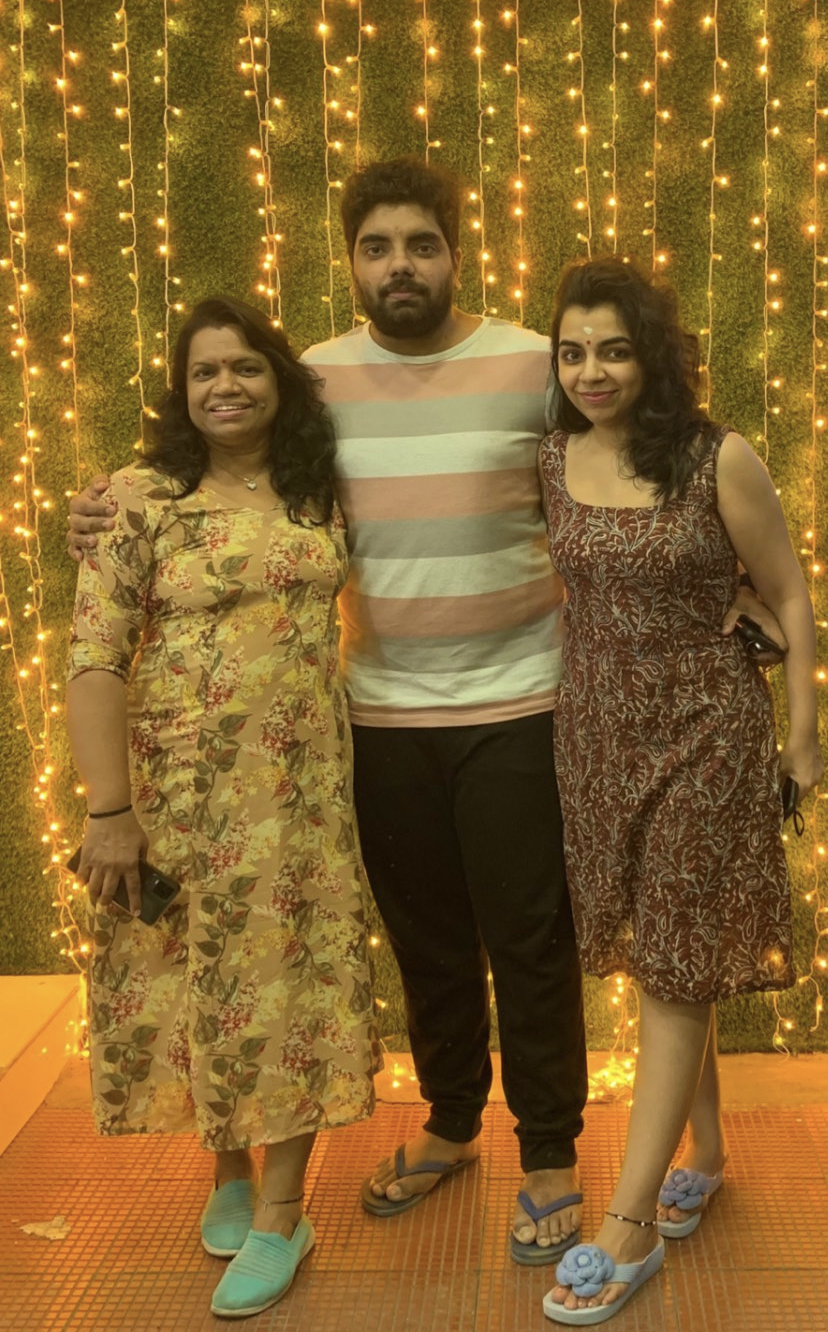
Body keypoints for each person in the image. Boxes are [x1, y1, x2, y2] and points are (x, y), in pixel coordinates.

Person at [66, 158, 786, 1265]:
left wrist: (733, 583)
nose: (399, 265)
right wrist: (106, 504)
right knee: (427, 942)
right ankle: (452, 1121)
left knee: (531, 941)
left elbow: (642, 452)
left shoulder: (533, 364)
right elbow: (225, 460)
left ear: (455, 252)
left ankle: (549, 1153)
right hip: (376, 716)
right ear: (351, 261)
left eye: (420, 244)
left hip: (525, 705)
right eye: (377, 247)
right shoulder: (313, 378)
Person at [66, 296, 379, 1321]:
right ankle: (228, 1164)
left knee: (290, 982)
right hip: (176, 796)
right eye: (204, 371)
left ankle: (284, 1210)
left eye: (245, 366)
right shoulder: (137, 498)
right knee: (199, 974)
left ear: (278, 380)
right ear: (180, 390)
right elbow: (94, 657)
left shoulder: (315, 488)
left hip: (300, 799)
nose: (225, 387)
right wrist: (109, 812)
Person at [537, 256, 822, 1326]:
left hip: (709, 734)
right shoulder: (551, 458)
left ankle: (629, 1222)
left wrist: (803, 737)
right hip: (595, 736)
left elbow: (790, 593)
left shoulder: (716, 457)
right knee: (661, 952)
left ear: (652, 355)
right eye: (573, 352)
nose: (592, 371)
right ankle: (705, 1144)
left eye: (614, 349)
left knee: (673, 958)